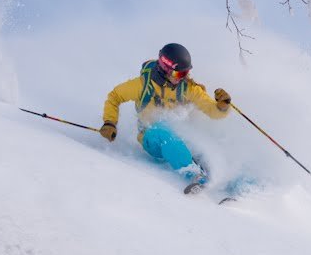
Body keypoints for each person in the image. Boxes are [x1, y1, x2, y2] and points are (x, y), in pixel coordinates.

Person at [99, 42, 232, 192]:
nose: (182, 78)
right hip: (151, 137)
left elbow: (211, 111)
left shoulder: (187, 87)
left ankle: (233, 184)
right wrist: (110, 122)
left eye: (185, 73)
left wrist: (222, 107)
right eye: (179, 74)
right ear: (165, 68)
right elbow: (114, 97)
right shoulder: (143, 85)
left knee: (202, 144)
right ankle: (194, 174)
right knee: (163, 132)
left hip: (180, 137)